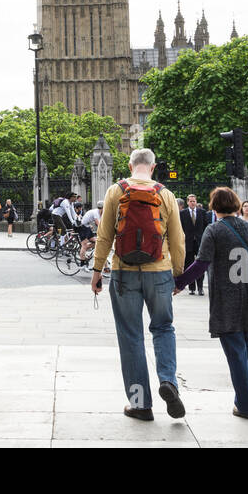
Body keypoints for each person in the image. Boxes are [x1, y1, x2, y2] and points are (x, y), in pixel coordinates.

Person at [89, 148, 186, 422]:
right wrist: (177, 273)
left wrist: (97, 271)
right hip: (160, 270)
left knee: (130, 336)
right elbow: (178, 239)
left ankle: (140, 403)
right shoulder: (165, 194)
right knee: (164, 327)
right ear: (153, 168)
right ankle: (168, 380)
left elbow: (104, 235)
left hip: (124, 271)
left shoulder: (115, 191)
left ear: (131, 166)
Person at [174, 186, 248, 420]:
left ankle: (247, 405)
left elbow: (201, 263)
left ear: (214, 206)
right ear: (238, 205)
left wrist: (179, 283)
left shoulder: (214, 230)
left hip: (228, 297)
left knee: (236, 350)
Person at [179, 194, 207, 295]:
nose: (192, 203)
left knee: (200, 265)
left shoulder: (202, 212)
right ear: (187, 202)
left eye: (194, 201)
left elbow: (206, 227)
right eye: (190, 201)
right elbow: (180, 228)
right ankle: (192, 287)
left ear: (196, 201)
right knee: (189, 265)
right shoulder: (182, 213)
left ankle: (200, 287)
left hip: (200, 243)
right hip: (188, 243)